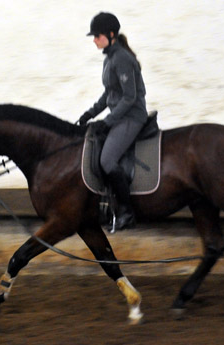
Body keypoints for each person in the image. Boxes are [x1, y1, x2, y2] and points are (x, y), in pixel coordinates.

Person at [78, 12, 148, 230]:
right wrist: (90, 113)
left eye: (97, 36)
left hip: (132, 116)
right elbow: (109, 94)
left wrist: (108, 121)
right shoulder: (109, 58)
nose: (94, 40)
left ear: (110, 35)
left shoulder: (122, 59)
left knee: (107, 161)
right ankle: (106, 207)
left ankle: (127, 212)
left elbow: (129, 97)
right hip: (120, 115)